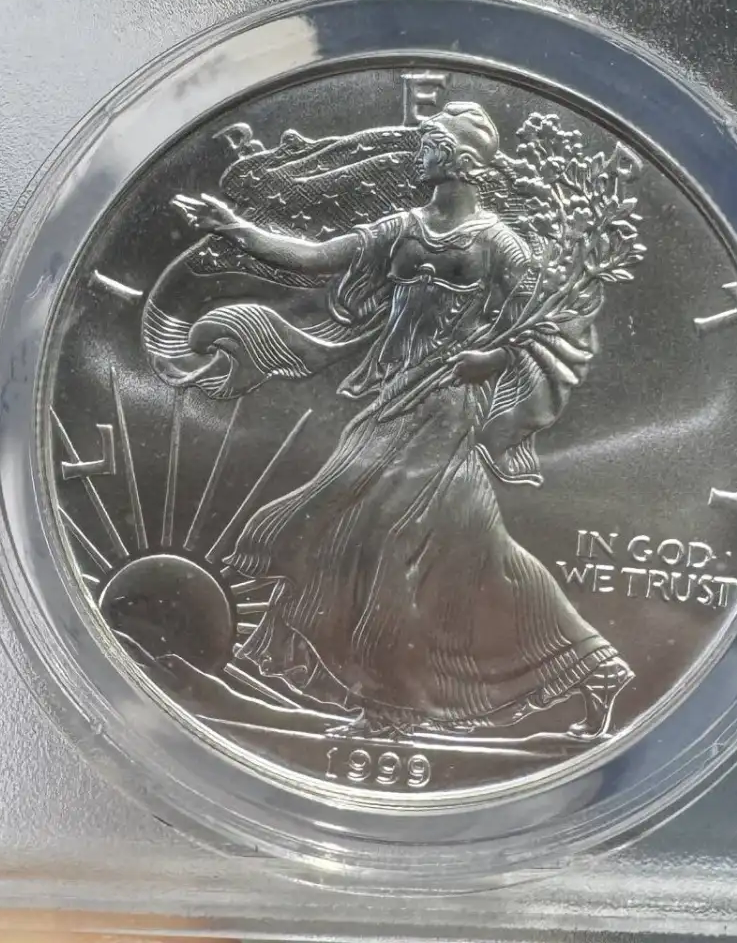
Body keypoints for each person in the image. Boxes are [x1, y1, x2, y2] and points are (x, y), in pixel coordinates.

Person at [179, 103, 633, 739]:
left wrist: (493, 358)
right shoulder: (402, 228)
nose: (419, 151)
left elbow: (556, 328)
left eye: (431, 142)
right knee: (465, 549)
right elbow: (317, 257)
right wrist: (238, 230)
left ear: (460, 159)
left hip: (448, 404)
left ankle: (389, 709)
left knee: (386, 538)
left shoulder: (499, 244)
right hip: (395, 396)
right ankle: (590, 668)